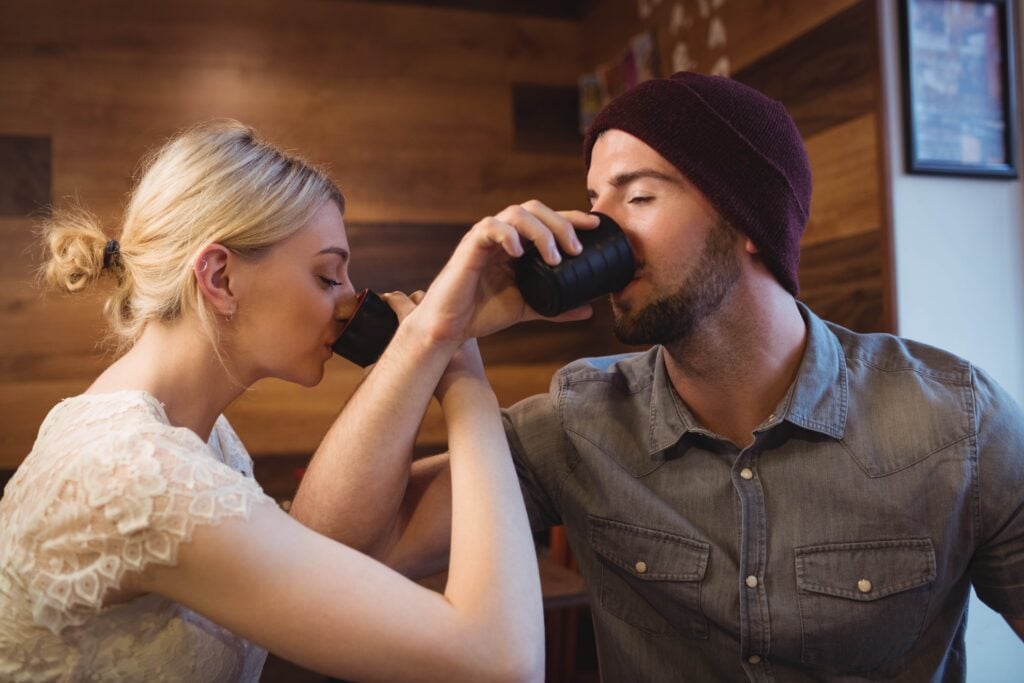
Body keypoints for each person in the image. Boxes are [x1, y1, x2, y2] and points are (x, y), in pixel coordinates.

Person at [292, 72, 1024, 681]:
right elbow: (336, 546)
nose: (592, 229)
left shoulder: (956, 422)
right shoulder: (580, 421)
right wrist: (433, 334)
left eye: (636, 196)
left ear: (746, 220)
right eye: (594, 201)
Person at [0, 118, 593, 682]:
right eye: (327, 275)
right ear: (221, 278)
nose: (347, 301)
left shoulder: (202, 438)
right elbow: (503, 661)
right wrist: (458, 367)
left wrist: (432, 344)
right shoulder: (133, 473)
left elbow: (323, 553)